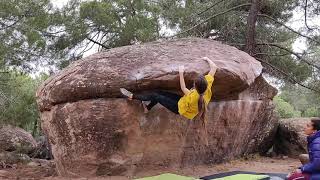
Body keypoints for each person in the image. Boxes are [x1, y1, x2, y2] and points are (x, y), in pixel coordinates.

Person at [120, 57, 218, 122]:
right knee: (159, 92)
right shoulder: (207, 86)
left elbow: (183, 87)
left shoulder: (194, 96)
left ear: (196, 87)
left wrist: (180, 73)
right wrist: (207, 59)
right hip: (182, 101)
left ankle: (132, 96)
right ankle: (147, 108)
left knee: (156, 96)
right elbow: (214, 67)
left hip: (179, 109)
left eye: (194, 84)